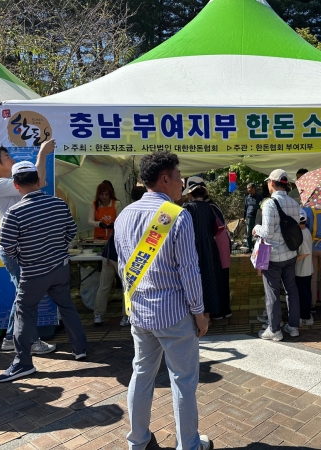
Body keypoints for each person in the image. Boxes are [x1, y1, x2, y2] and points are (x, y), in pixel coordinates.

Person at [113, 151, 211, 450]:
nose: (182, 183)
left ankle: (138, 441)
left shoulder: (124, 215)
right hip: (173, 313)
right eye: (179, 177)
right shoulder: (177, 215)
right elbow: (189, 271)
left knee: (142, 374)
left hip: (139, 311)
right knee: (183, 380)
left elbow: (123, 267)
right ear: (165, 179)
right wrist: (199, 312)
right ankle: (189, 445)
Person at [0, 161, 88, 382]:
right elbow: (71, 231)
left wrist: (25, 258)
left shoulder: (15, 211)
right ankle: (80, 349)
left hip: (33, 272)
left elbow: (7, 245)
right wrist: (57, 251)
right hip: (60, 267)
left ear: (16, 185)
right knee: (67, 306)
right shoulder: (59, 204)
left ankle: (23, 363)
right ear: (38, 181)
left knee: (24, 312)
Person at [0, 142, 56, 354]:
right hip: (15, 247)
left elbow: (38, 181)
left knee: (23, 295)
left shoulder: (3, 183)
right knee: (26, 297)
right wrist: (42, 153)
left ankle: (10, 338)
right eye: (6, 156)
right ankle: (31, 342)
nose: (11, 157)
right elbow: (39, 180)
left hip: (17, 247)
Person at [252, 169, 301, 341]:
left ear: (272, 183)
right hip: (290, 253)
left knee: (272, 292)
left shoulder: (269, 204)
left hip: (272, 255)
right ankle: (293, 327)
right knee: (291, 290)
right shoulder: (294, 203)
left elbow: (267, 233)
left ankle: (274, 329)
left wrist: (256, 228)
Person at [93, 186, 147, 326]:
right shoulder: (142, 212)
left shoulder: (125, 211)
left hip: (109, 253)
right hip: (123, 256)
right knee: (127, 288)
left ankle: (98, 315)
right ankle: (126, 317)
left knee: (104, 287)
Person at [184, 177, 224, 319]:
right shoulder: (210, 207)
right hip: (210, 247)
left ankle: (197, 316)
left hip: (192, 248)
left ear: (190, 193)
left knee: (194, 280)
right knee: (209, 278)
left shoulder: (187, 209)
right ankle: (208, 315)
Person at [206, 194, 232, 320]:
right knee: (224, 279)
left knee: (216, 280)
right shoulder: (215, 206)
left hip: (216, 246)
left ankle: (218, 311)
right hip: (224, 245)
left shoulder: (206, 208)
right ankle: (226, 309)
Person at [296, 209, 313, 326]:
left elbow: (305, 252)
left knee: (303, 294)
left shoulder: (301, 234)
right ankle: (306, 315)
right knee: (305, 292)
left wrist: (293, 259)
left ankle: (305, 316)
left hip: (302, 270)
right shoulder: (306, 231)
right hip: (306, 269)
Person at [242, 182, 262, 252]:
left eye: (249, 188)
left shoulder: (259, 197)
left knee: (257, 233)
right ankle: (249, 247)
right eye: (247, 189)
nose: (248, 190)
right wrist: (243, 217)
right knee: (249, 233)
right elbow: (245, 208)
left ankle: (257, 247)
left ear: (253, 188)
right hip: (249, 217)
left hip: (257, 217)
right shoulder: (247, 198)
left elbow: (261, 207)